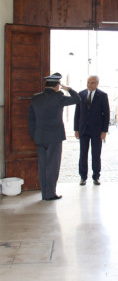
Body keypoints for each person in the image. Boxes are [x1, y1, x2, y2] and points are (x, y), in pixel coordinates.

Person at [28, 72, 80, 200]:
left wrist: (34, 135)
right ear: (58, 85)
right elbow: (77, 99)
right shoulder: (59, 97)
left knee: (42, 166)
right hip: (54, 138)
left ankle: (44, 194)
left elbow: (31, 119)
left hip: (40, 137)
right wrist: (68, 89)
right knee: (52, 165)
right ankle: (50, 193)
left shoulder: (36, 98)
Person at [74, 75, 110, 185]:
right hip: (83, 129)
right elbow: (77, 113)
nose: (89, 85)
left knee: (96, 154)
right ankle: (83, 177)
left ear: (97, 84)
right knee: (83, 154)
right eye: (88, 82)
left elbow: (106, 114)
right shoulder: (81, 94)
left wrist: (104, 131)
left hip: (97, 131)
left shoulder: (102, 95)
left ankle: (96, 177)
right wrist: (76, 129)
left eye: (92, 83)